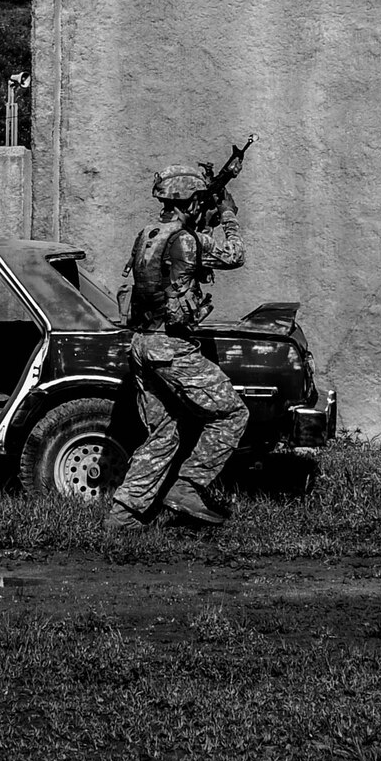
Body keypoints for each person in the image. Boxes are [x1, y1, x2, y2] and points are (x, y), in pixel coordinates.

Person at [104, 163, 249, 532]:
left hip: (142, 344)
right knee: (232, 414)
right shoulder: (186, 241)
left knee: (164, 432)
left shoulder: (147, 235)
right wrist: (229, 213)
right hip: (169, 348)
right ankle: (189, 487)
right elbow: (234, 255)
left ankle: (123, 517)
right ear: (192, 200)